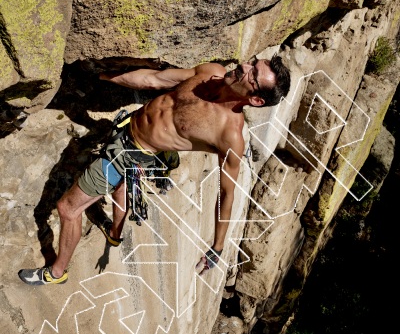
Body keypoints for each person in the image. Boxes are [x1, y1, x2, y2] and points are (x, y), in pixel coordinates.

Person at [18, 55, 290, 285]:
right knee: (122, 187)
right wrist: (103, 77)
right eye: (253, 63)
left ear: (255, 100)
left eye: (252, 75)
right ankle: (114, 235)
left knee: (68, 208)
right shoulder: (212, 74)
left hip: (127, 155)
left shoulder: (229, 136)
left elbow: (226, 195)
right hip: (126, 131)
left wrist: (217, 248)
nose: (244, 67)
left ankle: (56, 272)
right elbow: (155, 80)